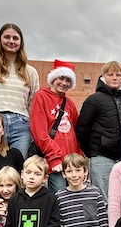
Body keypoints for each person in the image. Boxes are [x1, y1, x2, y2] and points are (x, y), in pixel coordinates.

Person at [75, 60, 121, 200]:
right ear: (103, 77)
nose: (114, 78)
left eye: (118, 75)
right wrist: (91, 151)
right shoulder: (94, 100)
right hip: (100, 157)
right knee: (102, 199)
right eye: (110, 75)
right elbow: (82, 129)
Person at [0, 23, 40, 156]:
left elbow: (33, 103)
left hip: (21, 125)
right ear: (0, 40)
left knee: (20, 163)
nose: (11, 41)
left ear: (21, 42)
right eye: (7, 37)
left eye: (15, 38)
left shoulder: (31, 72)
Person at [29, 59, 82, 193]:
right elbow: (39, 132)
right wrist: (53, 158)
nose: (64, 83)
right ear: (53, 78)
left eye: (68, 80)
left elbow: (77, 132)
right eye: (61, 78)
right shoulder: (41, 96)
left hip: (71, 163)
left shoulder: (70, 103)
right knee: (59, 196)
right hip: (55, 162)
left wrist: (79, 159)